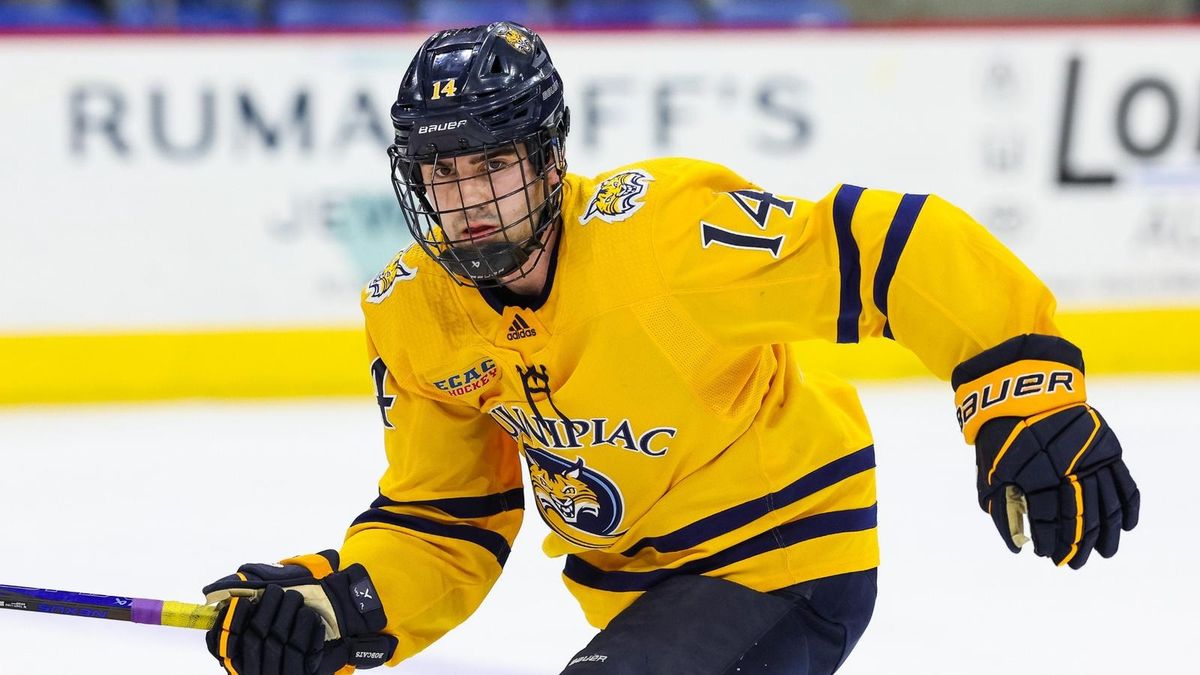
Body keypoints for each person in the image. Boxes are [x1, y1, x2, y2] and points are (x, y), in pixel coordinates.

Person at [200, 22, 1141, 675]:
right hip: (643, 597)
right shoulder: (412, 310)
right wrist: (343, 604)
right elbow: (446, 520)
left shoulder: (662, 238)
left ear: (549, 160)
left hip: (785, 556)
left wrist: (1026, 394)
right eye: (443, 173)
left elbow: (897, 248)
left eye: (493, 164)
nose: (469, 200)